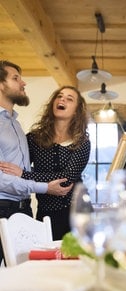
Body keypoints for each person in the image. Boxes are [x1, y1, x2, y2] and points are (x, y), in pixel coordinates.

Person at [0, 60, 73, 263]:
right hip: (2, 206)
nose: (23, 83)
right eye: (15, 78)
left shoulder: (15, 124)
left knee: (23, 271)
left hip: (24, 209)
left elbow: (24, 170)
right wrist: (45, 187)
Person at [0, 85, 91, 240]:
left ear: (76, 110)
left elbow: (66, 179)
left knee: (76, 260)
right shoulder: (34, 138)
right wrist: (22, 172)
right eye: (60, 96)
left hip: (76, 212)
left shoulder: (82, 141)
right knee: (46, 259)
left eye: (69, 99)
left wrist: (24, 174)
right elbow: (21, 165)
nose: (62, 99)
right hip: (45, 212)